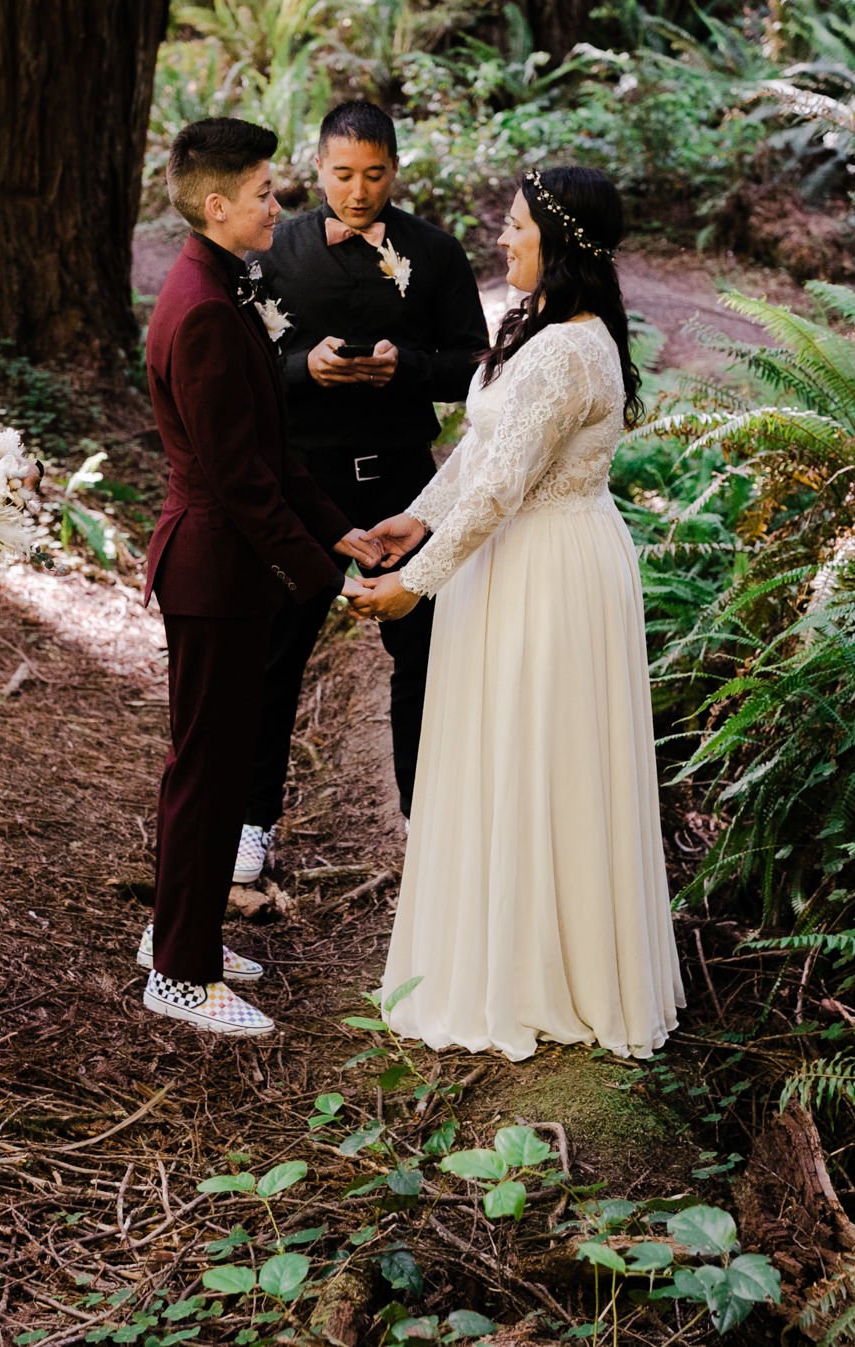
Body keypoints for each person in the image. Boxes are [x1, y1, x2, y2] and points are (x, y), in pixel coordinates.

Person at [346, 166, 684, 1061]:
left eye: (518, 226)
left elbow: (501, 490)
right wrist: (419, 513)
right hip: (523, 554)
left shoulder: (571, 350)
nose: (504, 239)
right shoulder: (544, 331)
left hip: (546, 569)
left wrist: (415, 582)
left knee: (540, 755)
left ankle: (542, 974)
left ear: (560, 242)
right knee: (509, 751)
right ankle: (512, 949)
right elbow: (483, 448)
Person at [141, 117, 381, 1038]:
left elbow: (273, 455)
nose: (275, 205)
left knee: (217, 762)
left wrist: (344, 536)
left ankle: (183, 927)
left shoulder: (225, 282)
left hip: (233, 565)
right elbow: (239, 480)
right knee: (207, 772)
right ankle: (179, 970)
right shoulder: (202, 308)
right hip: (213, 569)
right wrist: (321, 575)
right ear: (215, 204)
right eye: (261, 193)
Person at [240, 101, 487, 878]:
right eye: (343, 175)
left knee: (423, 649)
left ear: (395, 170)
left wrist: (405, 366)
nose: (358, 191)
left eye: (374, 175)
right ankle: (253, 820)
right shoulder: (273, 251)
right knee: (276, 650)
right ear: (318, 169)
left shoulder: (435, 253)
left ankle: (424, 815)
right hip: (305, 479)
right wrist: (300, 368)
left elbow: (476, 366)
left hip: (407, 483)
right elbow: (239, 366)